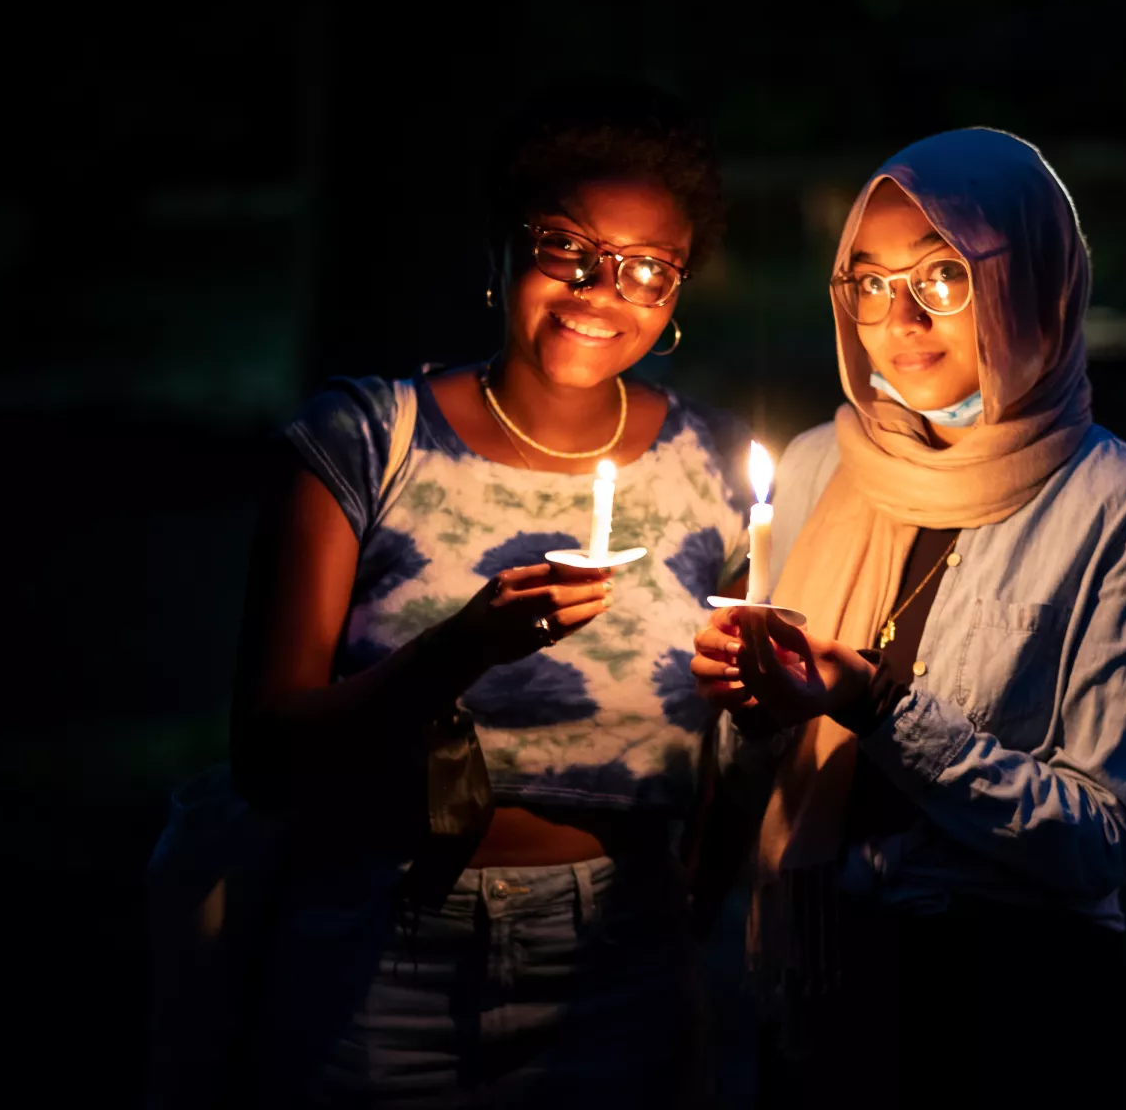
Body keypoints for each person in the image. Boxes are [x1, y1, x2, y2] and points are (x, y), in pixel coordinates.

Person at [231, 79, 749, 1106]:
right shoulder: (369, 440)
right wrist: (458, 649)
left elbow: (738, 737)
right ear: (501, 252)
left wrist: (707, 884)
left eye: (651, 268)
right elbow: (264, 751)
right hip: (380, 942)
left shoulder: (713, 470)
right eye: (568, 248)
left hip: (619, 960)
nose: (606, 291)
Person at [691, 127, 1126, 1107]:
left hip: (1007, 991)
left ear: (1031, 277)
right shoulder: (817, 467)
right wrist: (745, 706)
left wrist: (879, 708)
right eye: (871, 282)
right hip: (827, 975)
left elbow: (1098, 837)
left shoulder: (1122, 509)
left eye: (943, 276)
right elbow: (761, 769)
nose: (901, 317)